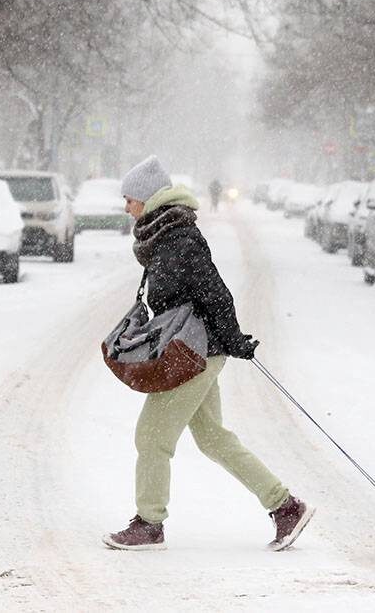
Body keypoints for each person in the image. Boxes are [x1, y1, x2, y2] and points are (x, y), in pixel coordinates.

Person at [103, 155, 314, 552]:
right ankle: (285, 507)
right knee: (213, 439)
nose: (126, 206)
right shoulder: (163, 235)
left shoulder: (179, 238)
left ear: (148, 199)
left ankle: (149, 524)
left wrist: (232, 338)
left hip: (194, 353)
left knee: (151, 437)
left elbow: (214, 291)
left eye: (129, 198)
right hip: (194, 349)